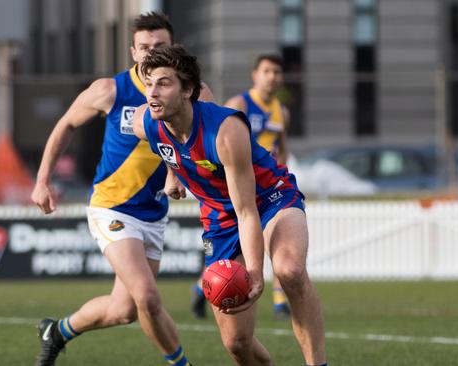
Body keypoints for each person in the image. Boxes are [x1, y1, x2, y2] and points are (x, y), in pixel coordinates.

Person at [30, 12, 211, 366]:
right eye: (143, 48)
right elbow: (66, 123)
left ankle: (58, 331)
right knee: (147, 295)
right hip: (111, 207)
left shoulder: (193, 93)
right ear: (132, 51)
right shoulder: (110, 90)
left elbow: (205, 139)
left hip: (154, 214)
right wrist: (42, 180)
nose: (149, 54)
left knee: (123, 309)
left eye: (159, 46)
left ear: (173, 48)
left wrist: (181, 174)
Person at [131, 45, 327, 366]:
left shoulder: (225, 131)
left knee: (289, 270)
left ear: (187, 91)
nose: (152, 92)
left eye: (163, 83)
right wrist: (172, 173)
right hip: (219, 217)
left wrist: (253, 271)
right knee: (236, 343)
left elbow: (247, 210)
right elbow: (162, 143)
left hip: (269, 197)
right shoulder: (146, 121)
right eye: (149, 83)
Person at [190, 54, 291, 320]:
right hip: (234, 187)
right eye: (267, 71)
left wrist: (282, 172)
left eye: (277, 72)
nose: (272, 77)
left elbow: (282, 148)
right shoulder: (239, 104)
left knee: (276, 245)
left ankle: (280, 301)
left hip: (266, 189)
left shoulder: (282, 111)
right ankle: (203, 288)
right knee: (228, 255)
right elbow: (217, 136)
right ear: (254, 75)